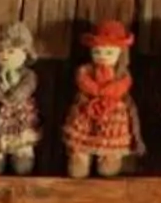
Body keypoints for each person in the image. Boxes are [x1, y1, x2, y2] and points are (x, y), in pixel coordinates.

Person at [61, 19, 142, 178]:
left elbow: (131, 108)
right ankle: (80, 158)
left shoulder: (122, 79)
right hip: (87, 114)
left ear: (120, 53)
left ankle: (109, 158)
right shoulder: (85, 74)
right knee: (79, 147)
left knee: (109, 158)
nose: (102, 56)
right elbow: (82, 85)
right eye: (97, 51)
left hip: (112, 118)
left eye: (109, 52)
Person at [0, 19, 42, 176]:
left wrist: (17, 94)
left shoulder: (27, 74)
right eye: (0, 51)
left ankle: (22, 156)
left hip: (19, 113)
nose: (4, 56)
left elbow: (29, 84)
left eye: (11, 51)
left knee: (22, 139)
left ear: (25, 52)